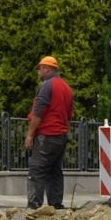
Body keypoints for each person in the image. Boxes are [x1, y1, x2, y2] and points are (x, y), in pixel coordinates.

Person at [24, 54, 73, 208]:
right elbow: (68, 117)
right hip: (60, 136)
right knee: (55, 171)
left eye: (39, 70)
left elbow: (39, 113)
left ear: (46, 69)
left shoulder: (46, 86)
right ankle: (56, 206)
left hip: (46, 135)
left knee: (36, 170)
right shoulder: (67, 88)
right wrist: (65, 133)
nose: (38, 73)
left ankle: (34, 207)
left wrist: (30, 135)